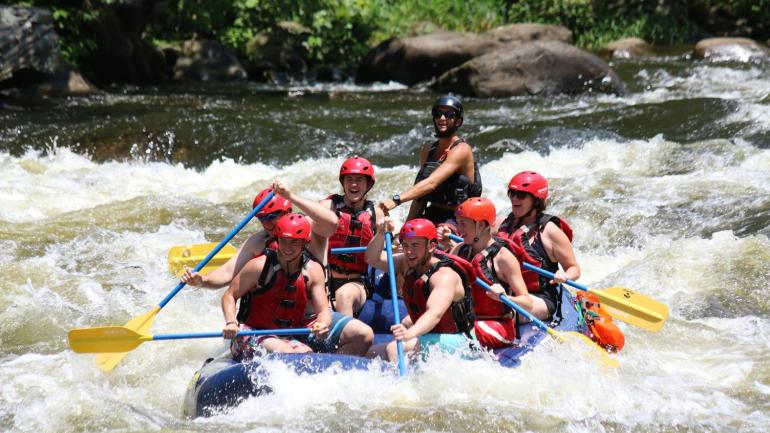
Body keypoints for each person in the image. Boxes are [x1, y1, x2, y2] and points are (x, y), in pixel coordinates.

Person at [184, 182, 373, 355]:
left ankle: (332, 372)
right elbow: (227, 274)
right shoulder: (259, 245)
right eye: (262, 218)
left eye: (273, 217)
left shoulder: (310, 229)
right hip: (268, 323)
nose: (267, 224)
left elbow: (332, 223)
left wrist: (290, 195)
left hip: (309, 319)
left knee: (363, 335)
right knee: (295, 354)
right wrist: (202, 280)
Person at [365, 217, 476, 362]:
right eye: (405, 245)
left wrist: (409, 334)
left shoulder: (444, 276)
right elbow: (372, 258)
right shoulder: (407, 263)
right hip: (431, 335)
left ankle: (404, 384)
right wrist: (380, 233)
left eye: (415, 245)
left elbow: (434, 314)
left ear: (431, 246)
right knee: (373, 352)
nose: (409, 251)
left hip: (458, 341)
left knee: (394, 348)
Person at [222, 213, 331, 359]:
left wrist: (322, 324)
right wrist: (230, 322)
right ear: (277, 239)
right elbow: (229, 295)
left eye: (294, 242)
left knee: (307, 357)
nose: (287, 247)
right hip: (250, 333)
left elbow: (323, 309)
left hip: (285, 336)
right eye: (283, 241)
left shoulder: (313, 270)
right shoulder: (258, 266)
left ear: (305, 243)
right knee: (286, 353)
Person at [378, 95, 482, 226]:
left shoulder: (462, 149)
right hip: (433, 212)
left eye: (449, 114)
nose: (442, 118)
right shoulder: (428, 149)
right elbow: (420, 195)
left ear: (458, 121)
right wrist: (406, 228)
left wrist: (397, 200)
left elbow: (432, 183)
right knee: (406, 240)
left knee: (437, 236)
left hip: (460, 218)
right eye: (438, 114)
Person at [496, 171, 580, 320]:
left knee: (503, 311)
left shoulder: (550, 231)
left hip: (539, 296)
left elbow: (574, 268)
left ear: (536, 200)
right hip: (503, 290)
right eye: (511, 193)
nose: (514, 198)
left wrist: (565, 275)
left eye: (521, 195)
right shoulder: (501, 223)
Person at [450, 197, 532, 349]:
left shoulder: (503, 257)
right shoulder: (459, 249)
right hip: (469, 321)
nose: (459, 229)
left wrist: (504, 298)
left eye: (463, 224)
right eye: (457, 222)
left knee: (460, 337)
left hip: (498, 326)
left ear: (480, 225)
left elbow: (527, 303)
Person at [321, 156, 385, 317]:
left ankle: (346, 339)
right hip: (325, 278)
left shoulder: (376, 214)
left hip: (357, 283)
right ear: (343, 183)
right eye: (349, 179)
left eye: (359, 180)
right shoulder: (329, 206)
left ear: (368, 184)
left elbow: (381, 253)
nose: (354, 184)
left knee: (344, 295)